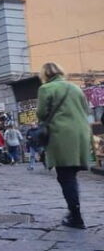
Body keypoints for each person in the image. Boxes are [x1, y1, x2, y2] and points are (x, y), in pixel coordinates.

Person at [36, 62, 92, 229]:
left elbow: (41, 113)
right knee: (71, 175)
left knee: (66, 177)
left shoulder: (46, 89)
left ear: (45, 74)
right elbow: (86, 110)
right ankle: (73, 212)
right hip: (81, 133)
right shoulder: (75, 88)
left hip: (61, 134)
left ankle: (76, 216)